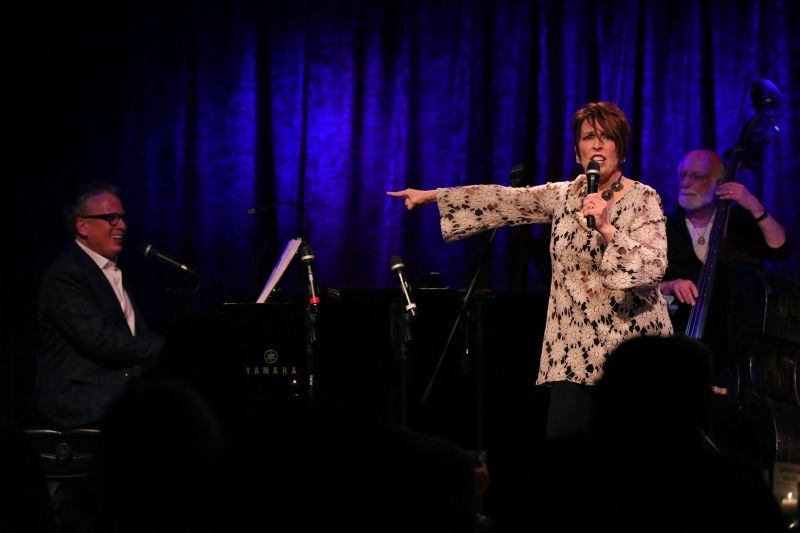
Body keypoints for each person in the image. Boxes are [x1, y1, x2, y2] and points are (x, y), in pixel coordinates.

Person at [387, 101, 673, 441]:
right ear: (577, 150)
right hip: (573, 353)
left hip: (631, 354)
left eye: (606, 137)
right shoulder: (563, 196)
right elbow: (503, 201)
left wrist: (608, 229)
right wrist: (433, 196)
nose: (596, 144)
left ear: (620, 150)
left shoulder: (644, 198)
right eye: (588, 137)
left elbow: (653, 267)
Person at [35, 181, 164, 430]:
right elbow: (100, 340)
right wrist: (166, 346)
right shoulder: (65, 275)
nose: (122, 225)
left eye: (123, 218)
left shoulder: (112, 270)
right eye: (110, 218)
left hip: (119, 395)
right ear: (82, 225)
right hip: (83, 401)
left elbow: (134, 335)